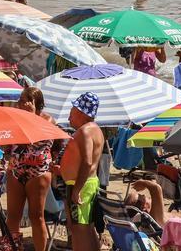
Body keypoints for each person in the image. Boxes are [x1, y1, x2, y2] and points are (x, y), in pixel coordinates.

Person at [6, 86, 55, 251]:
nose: (24, 103)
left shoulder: (47, 120)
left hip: (38, 172)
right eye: (21, 100)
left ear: (38, 104)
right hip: (15, 169)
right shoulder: (14, 119)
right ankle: (13, 248)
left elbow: (58, 143)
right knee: (12, 216)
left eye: (28, 100)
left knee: (37, 216)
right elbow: (8, 143)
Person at [58, 91, 104, 251]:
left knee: (78, 230)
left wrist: (76, 189)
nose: (69, 116)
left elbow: (87, 161)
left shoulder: (85, 131)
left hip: (81, 186)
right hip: (88, 183)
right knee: (87, 228)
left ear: (81, 112)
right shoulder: (96, 129)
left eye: (72, 111)